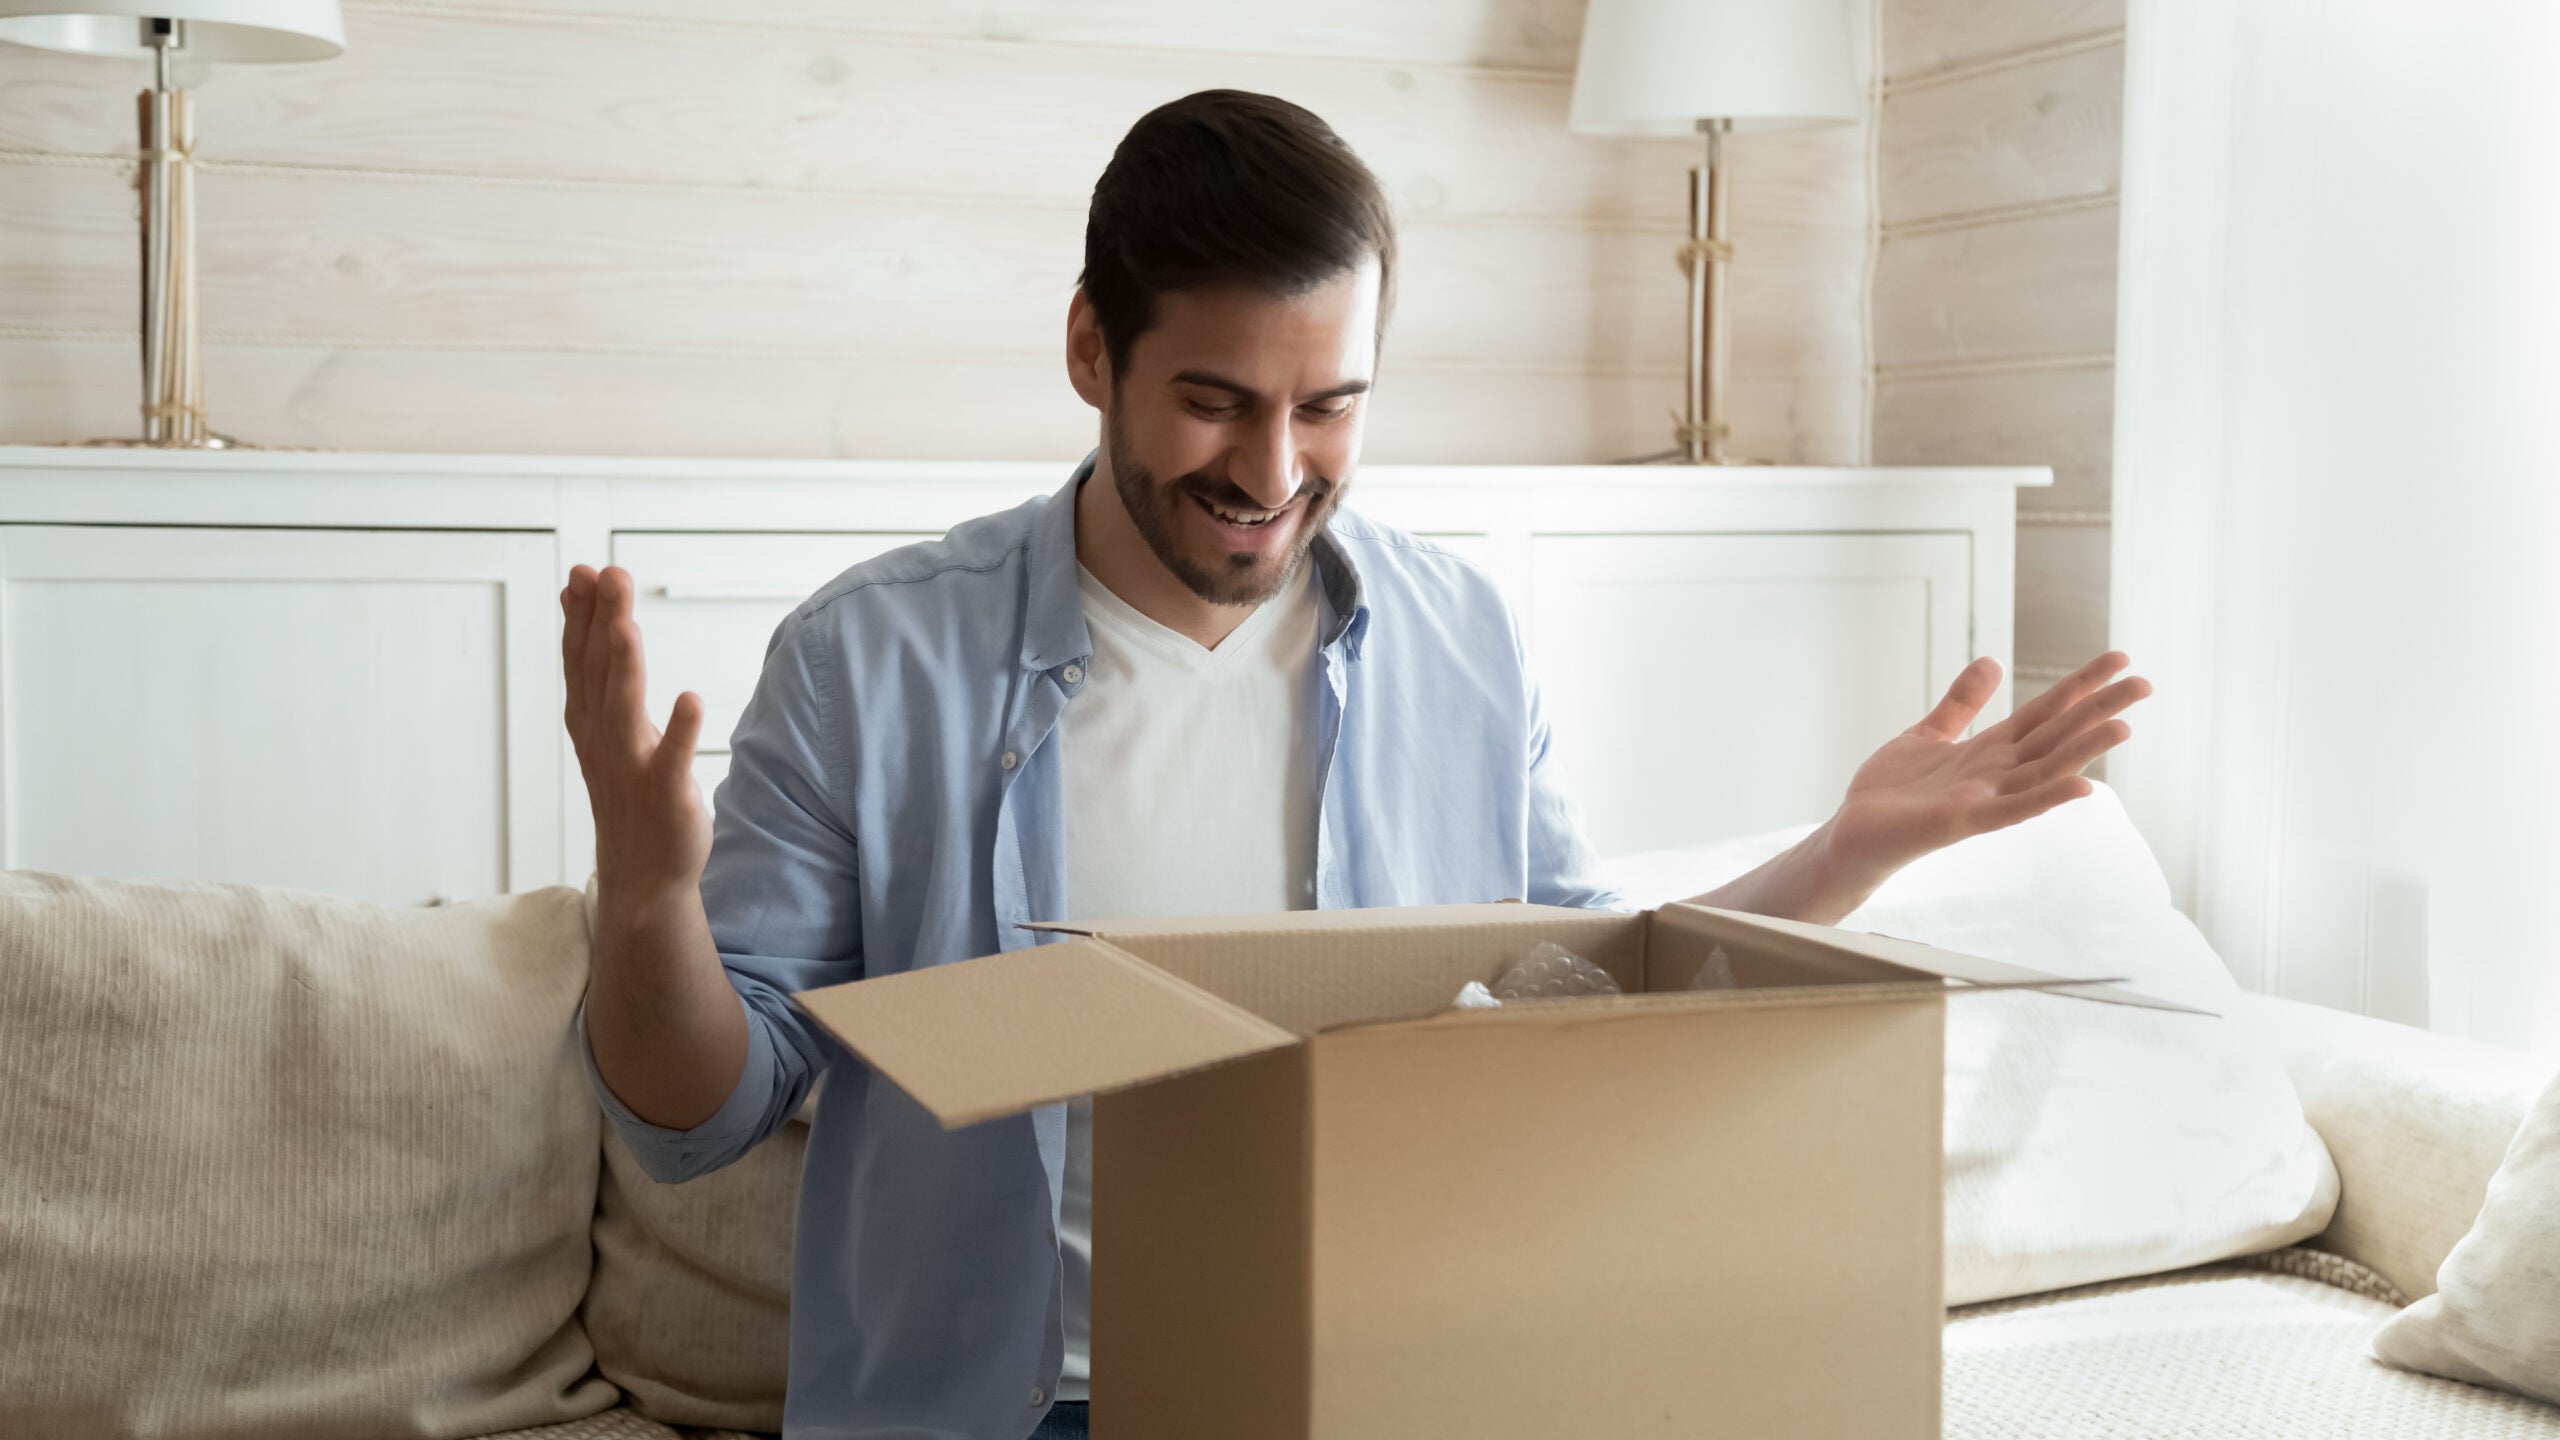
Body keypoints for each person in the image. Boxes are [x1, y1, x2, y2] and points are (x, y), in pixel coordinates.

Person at [557, 88, 2149, 1440]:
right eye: (1213, 402)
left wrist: (1847, 849)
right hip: (1004, 1403)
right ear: (1089, 349)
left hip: (1378, 1375)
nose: (1269, 472)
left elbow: (1574, 990)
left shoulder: (1465, 639)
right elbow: (696, 1119)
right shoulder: (869, 657)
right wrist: (648, 905)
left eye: (1329, 408)